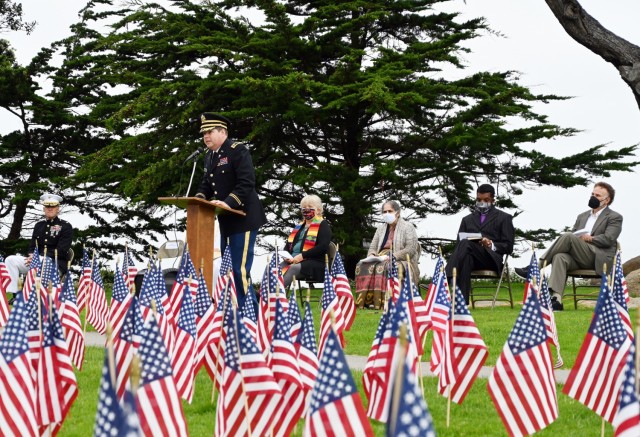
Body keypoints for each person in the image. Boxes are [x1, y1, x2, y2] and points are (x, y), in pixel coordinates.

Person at [194, 113, 267, 309]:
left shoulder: (237, 151)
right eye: (203, 133)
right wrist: (199, 199)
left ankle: (249, 313)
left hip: (243, 218)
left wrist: (228, 202)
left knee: (239, 269)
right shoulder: (210, 156)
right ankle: (236, 310)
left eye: (209, 132)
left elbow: (246, 183)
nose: (205, 137)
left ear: (223, 132)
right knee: (228, 269)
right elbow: (206, 185)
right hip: (226, 220)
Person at [515, 181, 622, 311]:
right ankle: (557, 300)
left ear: (607, 200)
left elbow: (608, 239)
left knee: (567, 236)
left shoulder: (614, 217)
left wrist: (591, 238)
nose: (593, 197)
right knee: (560, 256)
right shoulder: (582, 216)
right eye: (592, 194)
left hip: (597, 257)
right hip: (579, 256)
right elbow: (574, 236)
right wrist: (579, 238)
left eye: (598, 195)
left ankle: (536, 267)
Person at [445, 184, 515, 305]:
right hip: (471, 258)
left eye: (486, 200)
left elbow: (509, 247)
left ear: (493, 200)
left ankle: (446, 278)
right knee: (465, 252)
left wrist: (491, 244)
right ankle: (460, 302)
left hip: (490, 258)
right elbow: (459, 245)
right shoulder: (466, 220)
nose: (482, 202)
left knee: (466, 243)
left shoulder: (504, 218)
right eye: (479, 200)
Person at [5, 193, 74, 302]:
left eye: (53, 207)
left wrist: (38, 257)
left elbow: (61, 250)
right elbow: (32, 246)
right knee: (10, 260)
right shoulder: (39, 226)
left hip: (54, 263)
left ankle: (32, 296)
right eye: (47, 207)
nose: (50, 209)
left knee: (42, 259)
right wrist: (31, 256)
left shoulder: (66, 226)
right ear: (44, 209)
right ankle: (16, 295)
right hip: (36, 262)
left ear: (58, 209)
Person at [355, 200, 420, 310]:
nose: (386, 214)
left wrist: (392, 257)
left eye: (390, 211)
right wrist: (372, 255)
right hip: (381, 257)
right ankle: (366, 301)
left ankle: (384, 302)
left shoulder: (408, 227)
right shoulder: (380, 229)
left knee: (384, 267)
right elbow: (372, 247)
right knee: (361, 265)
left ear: (397, 212)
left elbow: (411, 249)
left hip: (401, 259)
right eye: (384, 212)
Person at [280, 195, 332, 287]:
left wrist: (302, 256)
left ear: (319, 210)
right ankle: (262, 295)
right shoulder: (299, 227)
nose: (306, 210)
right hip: (294, 260)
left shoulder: (323, 225)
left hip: (315, 262)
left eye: (310, 207)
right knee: (272, 268)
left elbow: (323, 247)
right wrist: (286, 256)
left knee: (293, 268)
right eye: (304, 207)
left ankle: (275, 294)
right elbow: (288, 245)